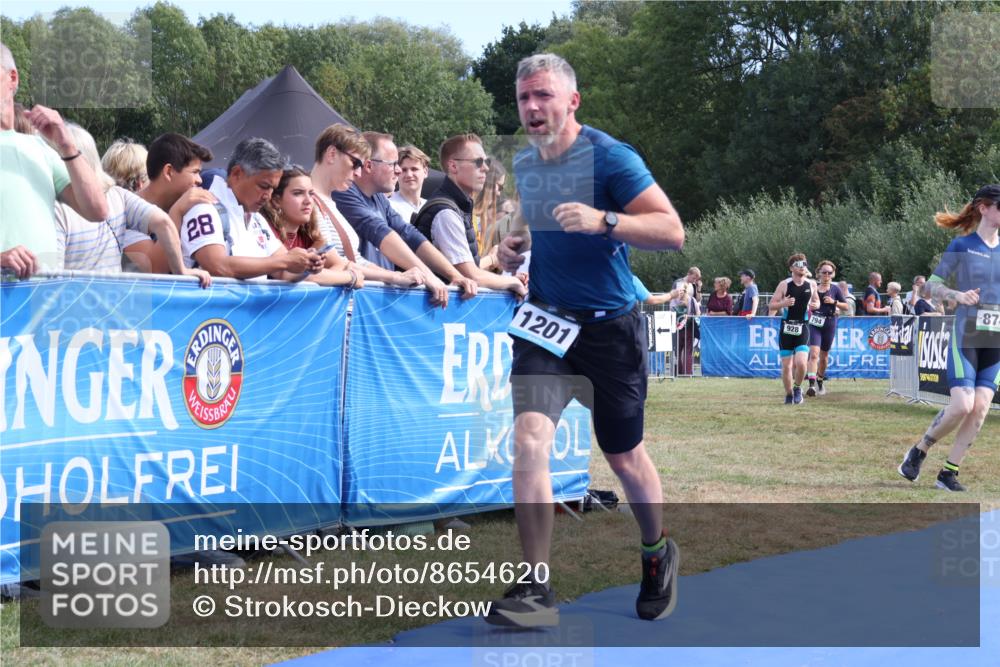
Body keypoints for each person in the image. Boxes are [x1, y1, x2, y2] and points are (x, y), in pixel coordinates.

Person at [490, 53, 685, 627]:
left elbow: (672, 231)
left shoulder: (611, 157)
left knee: (623, 456)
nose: (531, 107)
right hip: (547, 323)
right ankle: (536, 589)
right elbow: (532, 221)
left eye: (543, 96)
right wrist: (515, 243)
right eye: (524, 97)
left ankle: (656, 551)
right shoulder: (526, 162)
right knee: (529, 440)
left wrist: (606, 221)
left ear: (572, 101)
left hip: (610, 327)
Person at [898, 184, 1000, 492]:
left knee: (981, 407)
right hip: (967, 335)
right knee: (962, 405)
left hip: (996, 341)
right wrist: (957, 294)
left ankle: (948, 473)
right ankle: (920, 449)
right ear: (984, 207)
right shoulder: (962, 245)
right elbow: (930, 287)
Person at [53, 123, 209, 287]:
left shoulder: (57, 206)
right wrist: (182, 270)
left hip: (74, 304)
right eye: (144, 175)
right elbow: (155, 265)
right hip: (112, 304)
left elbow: (48, 280)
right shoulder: (118, 197)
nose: (200, 180)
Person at [331, 131, 478, 306]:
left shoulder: (378, 198)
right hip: (353, 303)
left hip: (373, 300)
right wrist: (429, 277)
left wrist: (454, 276)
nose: (399, 170)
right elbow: (381, 232)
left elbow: (409, 234)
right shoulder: (344, 193)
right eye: (393, 164)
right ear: (369, 166)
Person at [1, 42, 108, 278]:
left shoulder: (38, 148)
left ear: (12, 78)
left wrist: (65, 142)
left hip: (39, 301)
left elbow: (97, 210)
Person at [180, 137, 337, 283]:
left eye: (272, 189)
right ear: (236, 174)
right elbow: (219, 266)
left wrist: (306, 266)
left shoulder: (256, 218)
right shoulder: (204, 208)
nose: (268, 196)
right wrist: (285, 261)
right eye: (263, 186)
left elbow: (284, 272)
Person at [308, 124, 424, 290]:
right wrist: (393, 276)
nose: (358, 173)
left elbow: (353, 261)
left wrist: (396, 276)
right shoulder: (304, 200)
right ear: (332, 154)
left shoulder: (330, 202)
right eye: (355, 163)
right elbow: (332, 261)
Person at [413, 134, 525, 296]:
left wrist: (509, 280)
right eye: (478, 162)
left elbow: (471, 270)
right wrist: (513, 282)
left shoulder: (457, 207)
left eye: (486, 162)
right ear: (453, 166)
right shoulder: (445, 212)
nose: (486, 168)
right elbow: (471, 276)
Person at [124, 133, 214, 274]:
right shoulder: (127, 214)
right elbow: (154, 271)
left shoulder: (183, 208)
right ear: (169, 172)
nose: (200, 180)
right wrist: (177, 213)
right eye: (195, 172)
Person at [261, 166, 364, 288]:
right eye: (298, 193)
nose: (308, 201)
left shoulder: (310, 234)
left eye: (311, 194)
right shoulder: (265, 228)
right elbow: (288, 273)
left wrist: (322, 275)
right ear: (277, 200)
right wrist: (350, 277)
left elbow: (340, 264)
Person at [769, 253, 820, 404]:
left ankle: (797, 388)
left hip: (803, 326)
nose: (803, 267)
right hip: (786, 328)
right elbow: (771, 305)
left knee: (802, 362)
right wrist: (783, 304)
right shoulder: (784, 284)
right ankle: (789, 394)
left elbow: (817, 301)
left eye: (804, 264)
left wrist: (816, 305)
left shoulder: (811, 284)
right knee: (787, 367)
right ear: (791, 268)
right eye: (798, 265)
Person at [805, 260, 848, 397]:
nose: (827, 275)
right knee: (814, 354)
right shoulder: (813, 288)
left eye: (830, 273)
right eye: (824, 272)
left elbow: (847, 307)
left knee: (824, 357)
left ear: (833, 274)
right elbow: (804, 303)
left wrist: (834, 302)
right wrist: (809, 307)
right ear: (819, 273)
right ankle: (811, 385)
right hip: (815, 322)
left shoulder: (835, 289)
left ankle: (819, 380)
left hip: (830, 322)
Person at [474, 159, 507, 272]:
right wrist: (492, 259)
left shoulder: (480, 219)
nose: (499, 193)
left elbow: (478, 267)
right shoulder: (464, 215)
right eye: (500, 186)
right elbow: (465, 269)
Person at [387, 144, 429, 222]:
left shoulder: (431, 207)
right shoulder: (388, 206)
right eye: (404, 170)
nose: (409, 175)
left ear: (425, 172)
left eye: (414, 169)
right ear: (396, 172)